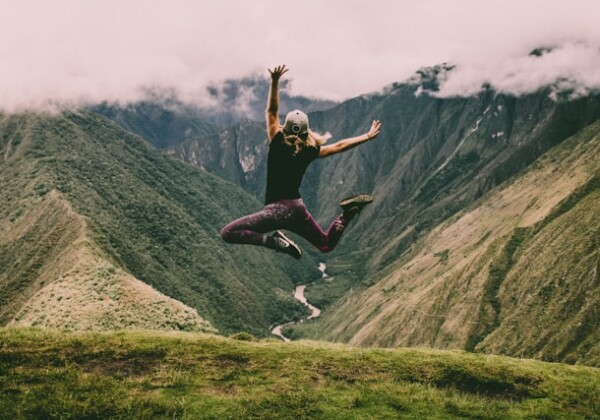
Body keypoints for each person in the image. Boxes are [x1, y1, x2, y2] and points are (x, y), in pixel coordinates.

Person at [221, 64, 382, 259]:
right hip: (297, 209)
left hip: (276, 212)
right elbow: (339, 146)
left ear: (285, 128)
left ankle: (277, 243)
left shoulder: (278, 141)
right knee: (325, 245)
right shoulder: (310, 150)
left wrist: (274, 81)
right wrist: (366, 136)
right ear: (306, 132)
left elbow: (271, 112)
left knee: (228, 233)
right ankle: (347, 213)